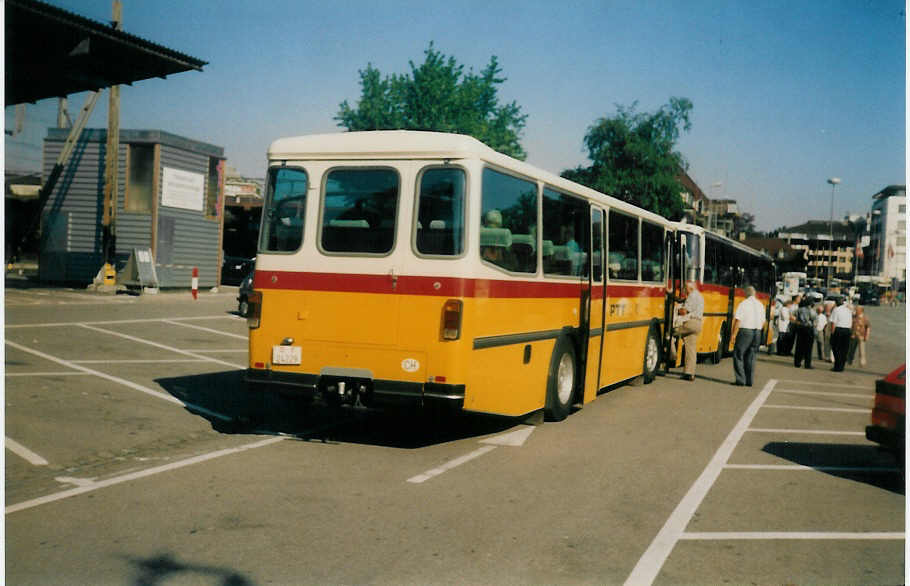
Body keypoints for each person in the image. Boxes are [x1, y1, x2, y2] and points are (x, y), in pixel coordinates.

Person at [730, 286, 766, 386]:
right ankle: (749, 380)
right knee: (751, 356)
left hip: (745, 331)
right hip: (757, 332)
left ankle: (741, 379)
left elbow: (738, 320)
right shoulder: (760, 304)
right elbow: (763, 322)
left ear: (746, 293)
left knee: (738, 354)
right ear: (754, 294)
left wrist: (733, 334)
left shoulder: (744, 304)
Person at [672, 280, 704, 381]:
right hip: (698, 324)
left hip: (690, 323)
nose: (684, 291)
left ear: (689, 288)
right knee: (691, 349)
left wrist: (676, 309)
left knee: (670, 332)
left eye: (684, 289)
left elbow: (684, 311)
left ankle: (671, 356)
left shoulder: (692, 296)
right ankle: (689, 373)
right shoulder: (700, 296)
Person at [829, 296, 853, 372]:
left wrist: (832, 333)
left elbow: (833, 323)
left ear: (836, 303)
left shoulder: (836, 310)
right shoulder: (848, 310)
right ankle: (841, 366)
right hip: (847, 330)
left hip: (839, 330)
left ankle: (837, 366)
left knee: (836, 348)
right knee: (844, 349)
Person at [792, 296, 815, 369]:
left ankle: (797, 362)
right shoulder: (811, 311)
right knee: (808, 347)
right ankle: (807, 364)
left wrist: (797, 322)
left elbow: (793, 316)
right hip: (809, 328)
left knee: (799, 346)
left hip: (800, 328)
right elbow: (814, 319)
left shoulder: (799, 310)